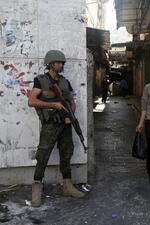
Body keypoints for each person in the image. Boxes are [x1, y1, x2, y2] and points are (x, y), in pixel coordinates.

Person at [28, 50, 85, 207]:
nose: (61, 65)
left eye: (62, 63)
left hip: (65, 125)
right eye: (59, 62)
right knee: (43, 155)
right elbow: (32, 101)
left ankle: (67, 186)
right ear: (51, 64)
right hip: (50, 125)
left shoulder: (65, 82)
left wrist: (70, 112)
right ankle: (37, 188)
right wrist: (52, 104)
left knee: (67, 153)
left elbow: (72, 100)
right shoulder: (40, 81)